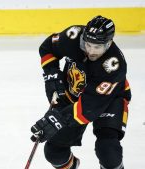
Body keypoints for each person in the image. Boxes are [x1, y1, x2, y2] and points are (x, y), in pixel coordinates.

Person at [30, 15, 131, 169]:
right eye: (88, 44)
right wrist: (52, 77)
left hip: (110, 99)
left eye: (97, 47)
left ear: (108, 43)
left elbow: (88, 109)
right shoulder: (74, 35)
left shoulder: (113, 65)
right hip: (74, 96)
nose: (91, 51)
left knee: (108, 150)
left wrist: (58, 119)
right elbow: (48, 47)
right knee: (54, 152)